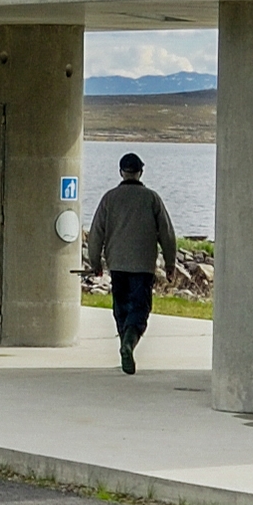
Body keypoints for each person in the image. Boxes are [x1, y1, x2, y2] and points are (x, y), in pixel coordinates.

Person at [79, 151, 178, 375]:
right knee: (140, 308)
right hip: (142, 264)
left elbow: (96, 234)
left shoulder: (109, 198)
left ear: (121, 172)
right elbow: (167, 234)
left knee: (121, 307)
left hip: (117, 264)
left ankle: (125, 344)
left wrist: (95, 262)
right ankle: (129, 344)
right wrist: (170, 263)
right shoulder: (152, 198)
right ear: (140, 172)